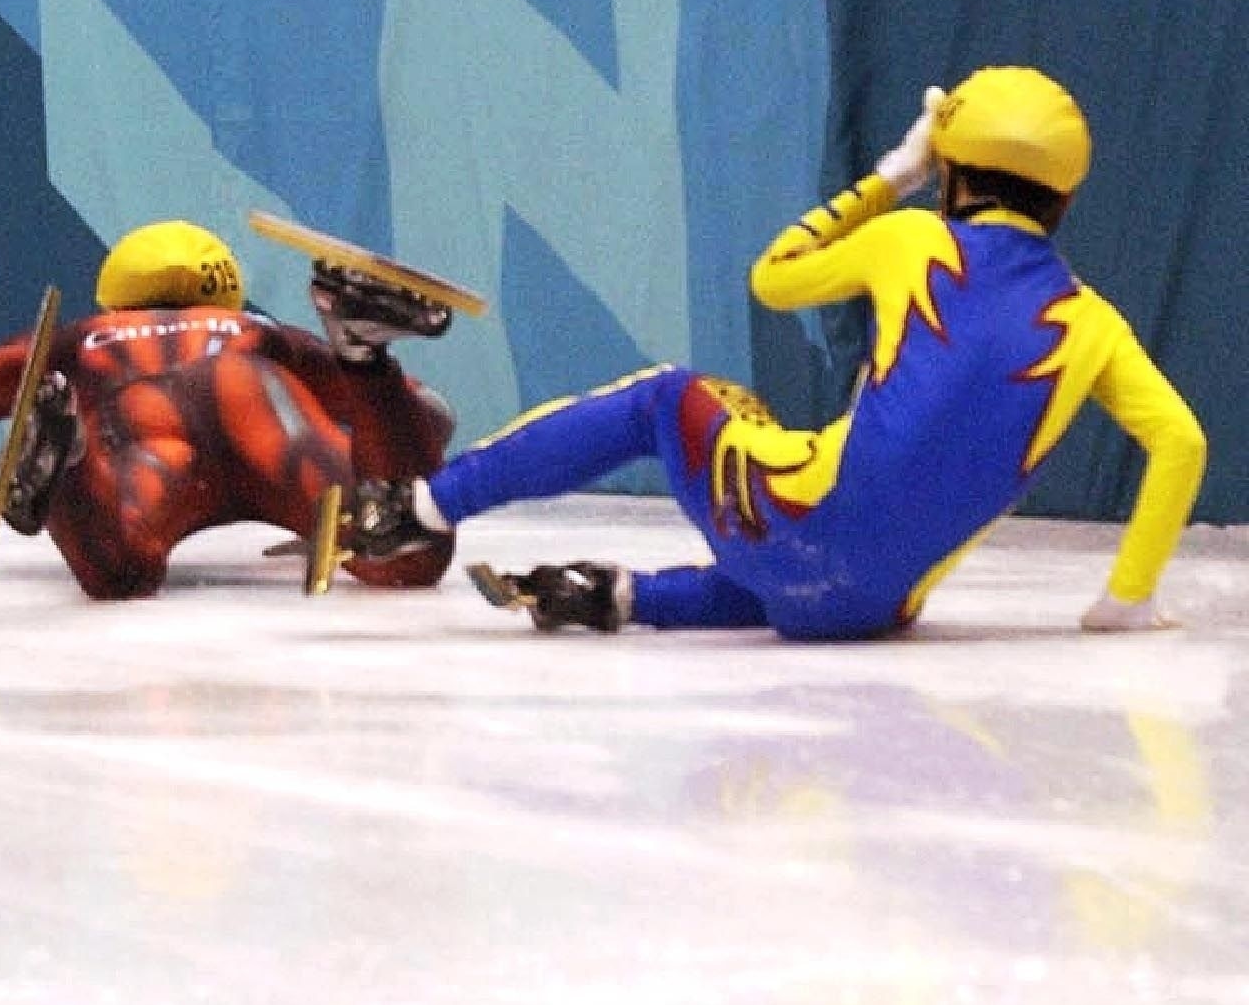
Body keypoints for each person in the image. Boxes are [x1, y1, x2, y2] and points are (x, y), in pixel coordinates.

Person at [336, 68, 1207, 640]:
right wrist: (1127, 595)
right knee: (817, 540)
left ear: (952, 174)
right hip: (872, 610)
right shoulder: (1094, 324)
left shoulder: (911, 241)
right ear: (1063, 200)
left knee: (670, 400)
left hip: (784, 527)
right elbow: (1182, 443)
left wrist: (888, 179)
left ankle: (418, 509)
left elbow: (772, 279)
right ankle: (623, 596)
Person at [0, 220, 457, 600]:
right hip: (253, 396)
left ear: (115, 297)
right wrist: (334, 497)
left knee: (120, 572)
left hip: (144, 423)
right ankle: (363, 349)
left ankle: (72, 467)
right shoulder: (257, 331)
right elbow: (427, 414)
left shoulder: (82, 338)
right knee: (404, 556)